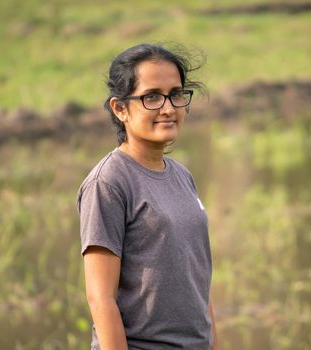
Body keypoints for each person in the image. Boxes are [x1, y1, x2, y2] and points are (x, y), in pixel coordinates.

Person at [76, 43, 218, 350]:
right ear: (120, 108)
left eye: (176, 94)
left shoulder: (182, 175)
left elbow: (199, 287)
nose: (168, 108)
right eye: (152, 96)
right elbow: (101, 299)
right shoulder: (109, 183)